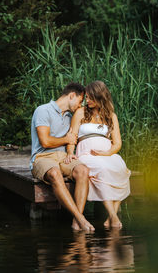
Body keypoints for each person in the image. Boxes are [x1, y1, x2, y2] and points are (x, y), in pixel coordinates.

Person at [65, 80, 131, 228]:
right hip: (87, 153)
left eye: (90, 97)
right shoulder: (81, 112)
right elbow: (72, 135)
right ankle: (113, 216)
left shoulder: (111, 115)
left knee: (121, 168)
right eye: (86, 97)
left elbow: (117, 143)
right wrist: (70, 152)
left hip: (107, 153)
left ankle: (110, 219)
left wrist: (107, 153)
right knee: (101, 169)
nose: (86, 100)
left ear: (100, 96)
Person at [30, 83, 95, 232]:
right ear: (72, 96)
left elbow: (74, 138)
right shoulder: (43, 110)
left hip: (63, 157)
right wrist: (66, 139)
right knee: (54, 173)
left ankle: (75, 221)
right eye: (80, 101)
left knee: (83, 170)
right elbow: (45, 141)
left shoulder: (70, 117)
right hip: (42, 156)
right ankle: (81, 218)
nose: (80, 105)